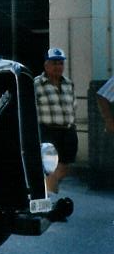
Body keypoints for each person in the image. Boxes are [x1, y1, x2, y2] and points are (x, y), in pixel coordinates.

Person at [33, 47, 77, 193]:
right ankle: (51, 196)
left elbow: (73, 105)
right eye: (54, 63)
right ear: (46, 65)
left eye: (61, 63)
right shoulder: (37, 84)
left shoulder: (68, 83)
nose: (58, 66)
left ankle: (46, 188)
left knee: (65, 167)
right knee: (50, 167)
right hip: (48, 131)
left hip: (68, 131)